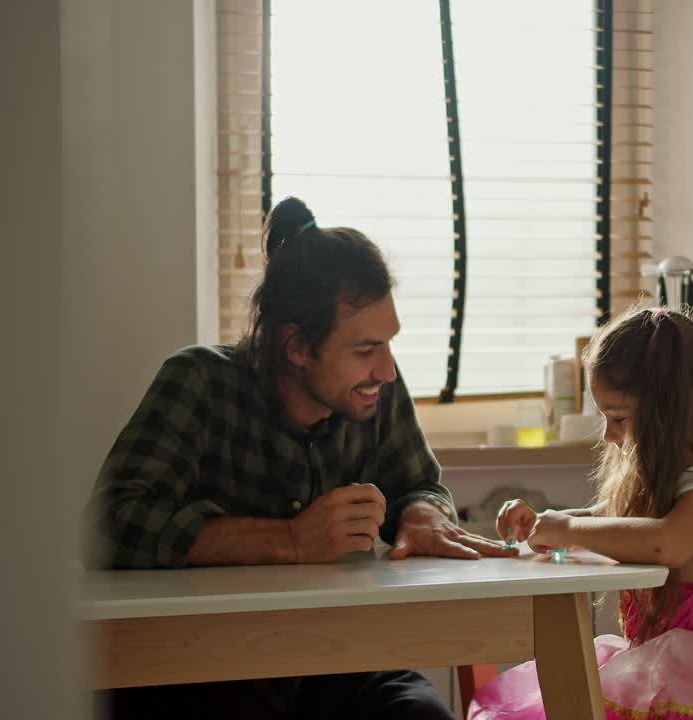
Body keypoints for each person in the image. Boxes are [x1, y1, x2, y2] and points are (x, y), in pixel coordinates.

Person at [84, 196, 512, 719]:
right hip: (200, 669)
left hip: (337, 660)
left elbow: (419, 484)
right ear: (297, 346)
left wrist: (422, 512)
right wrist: (288, 540)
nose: (387, 371)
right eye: (365, 349)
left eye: (388, 344)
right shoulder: (197, 382)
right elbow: (109, 525)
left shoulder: (375, 397)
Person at [470, 307, 693, 720]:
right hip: (656, 669)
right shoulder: (664, 492)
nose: (609, 434)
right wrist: (543, 521)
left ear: (667, 412)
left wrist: (569, 528)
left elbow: (664, 543)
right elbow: (603, 518)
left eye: (618, 418)